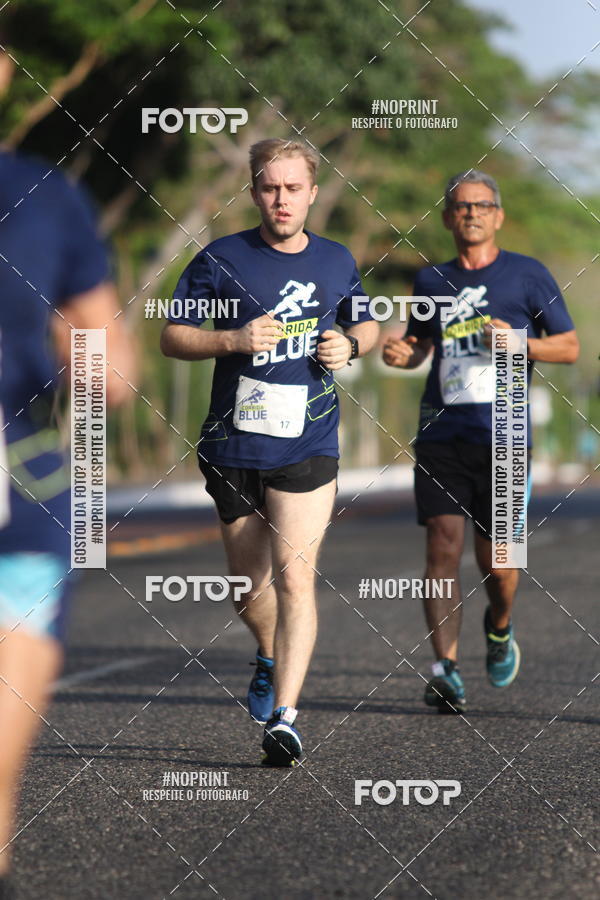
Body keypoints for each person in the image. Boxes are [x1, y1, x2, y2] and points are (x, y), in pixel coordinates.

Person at [161, 138, 378, 765]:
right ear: (254, 192)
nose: (280, 199)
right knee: (248, 589)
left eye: (292, 188)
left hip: (309, 443)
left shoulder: (337, 261)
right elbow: (174, 337)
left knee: (296, 579)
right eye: (269, 187)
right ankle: (266, 653)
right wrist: (232, 337)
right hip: (234, 443)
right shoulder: (220, 258)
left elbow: (363, 322)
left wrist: (351, 347)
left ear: (312, 192)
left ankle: (285, 718)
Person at [0, 46, 134, 898]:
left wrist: (80, 358)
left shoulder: (48, 197)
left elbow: (113, 368)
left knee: (19, 659)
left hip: (19, 476)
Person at [382, 170, 578, 713]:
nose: (471, 213)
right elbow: (419, 345)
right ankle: (444, 668)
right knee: (441, 547)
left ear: (498, 215)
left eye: (482, 205)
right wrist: (402, 353)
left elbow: (568, 347)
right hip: (442, 433)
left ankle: (500, 624)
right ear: (447, 218)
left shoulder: (528, 276)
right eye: (461, 206)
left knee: (497, 561)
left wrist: (517, 340)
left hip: (507, 434)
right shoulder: (429, 281)